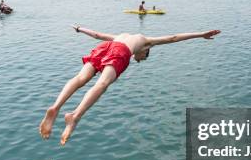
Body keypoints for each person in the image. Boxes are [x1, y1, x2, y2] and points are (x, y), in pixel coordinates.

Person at [39, 25, 222, 145]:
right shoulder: (144, 42)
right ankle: (75, 116)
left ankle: (55, 107)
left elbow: (97, 35)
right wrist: (201, 35)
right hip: (119, 51)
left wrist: (79, 28)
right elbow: (174, 37)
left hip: (105, 46)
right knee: (102, 84)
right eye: (142, 58)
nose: (139, 59)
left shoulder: (121, 35)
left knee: (80, 78)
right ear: (146, 51)